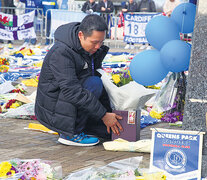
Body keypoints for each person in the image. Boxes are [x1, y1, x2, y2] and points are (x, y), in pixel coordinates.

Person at [35, 14, 123, 146]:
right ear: (81, 35)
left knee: (107, 132)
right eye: (94, 42)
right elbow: (72, 91)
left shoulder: (90, 50)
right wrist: (103, 115)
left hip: (70, 101)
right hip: (54, 106)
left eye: (101, 42)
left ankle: (85, 126)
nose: (98, 46)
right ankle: (71, 133)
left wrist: (109, 113)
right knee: (94, 83)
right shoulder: (61, 52)